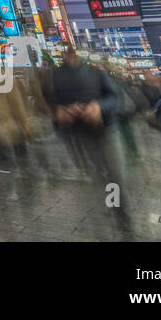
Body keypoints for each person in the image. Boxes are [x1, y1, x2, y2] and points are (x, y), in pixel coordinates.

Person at [51, 46, 133, 238]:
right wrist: (60, 111)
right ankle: (110, 215)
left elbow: (115, 97)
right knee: (98, 176)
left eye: (73, 53)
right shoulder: (56, 76)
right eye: (66, 52)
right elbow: (48, 101)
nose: (70, 56)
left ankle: (122, 220)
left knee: (115, 176)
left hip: (106, 130)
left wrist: (98, 106)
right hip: (81, 134)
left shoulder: (96, 72)